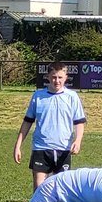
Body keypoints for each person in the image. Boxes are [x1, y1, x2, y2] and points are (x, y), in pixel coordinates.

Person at [14, 63, 86, 192]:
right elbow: (27, 122)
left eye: (60, 77)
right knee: (39, 188)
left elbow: (79, 122)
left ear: (66, 77)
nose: (56, 81)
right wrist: (18, 145)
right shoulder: (38, 96)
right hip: (41, 148)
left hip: (63, 148)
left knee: (61, 190)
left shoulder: (72, 97)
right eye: (53, 77)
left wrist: (78, 140)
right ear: (47, 77)